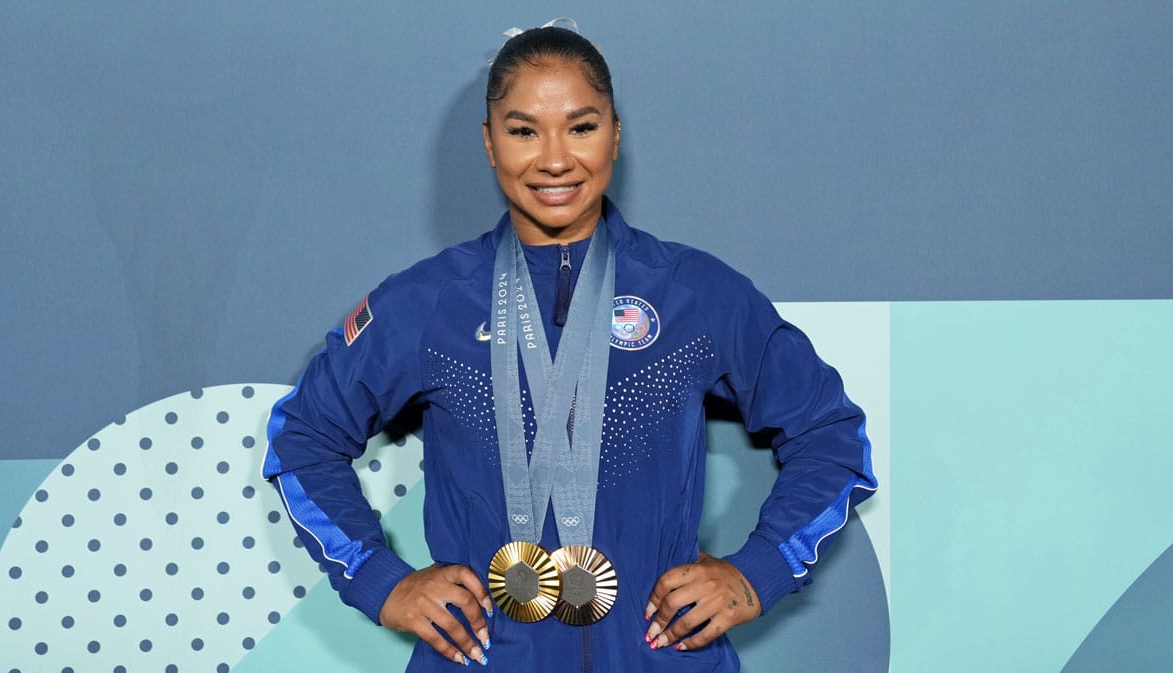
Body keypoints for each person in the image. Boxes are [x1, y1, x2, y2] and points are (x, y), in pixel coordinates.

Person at [263, 24, 876, 672]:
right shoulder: (433, 302)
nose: (554, 159)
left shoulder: (692, 293)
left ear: (615, 133)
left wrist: (759, 569)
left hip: (659, 656)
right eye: (524, 130)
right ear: (489, 142)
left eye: (580, 127)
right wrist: (380, 580)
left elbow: (831, 435)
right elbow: (304, 436)